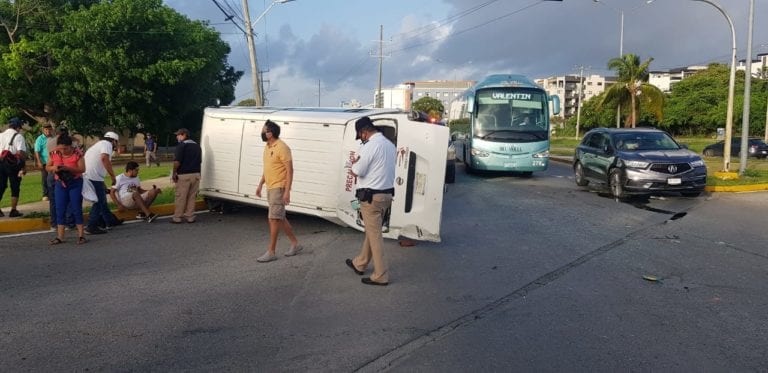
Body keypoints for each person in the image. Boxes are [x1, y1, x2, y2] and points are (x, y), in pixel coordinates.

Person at [344, 116, 396, 286]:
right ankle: (360, 263)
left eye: (360, 136)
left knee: (375, 236)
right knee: (372, 232)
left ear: (364, 132)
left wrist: (352, 165)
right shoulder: (389, 145)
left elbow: (358, 170)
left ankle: (381, 275)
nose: (361, 139)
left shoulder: (370, 146)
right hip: (386, 196)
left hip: (371, 197)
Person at [254, 120, 301, 263]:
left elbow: (290, 171)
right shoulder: (268, 147)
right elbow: (268, 168)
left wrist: (287, 191)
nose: (262, 133)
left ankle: (271, 251)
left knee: (273, 219)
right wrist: (260, 184)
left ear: (270, 133)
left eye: (264, 130)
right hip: (270, 187)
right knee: (279, 217)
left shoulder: (282, 147)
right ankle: (295, 244)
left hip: (279, 188)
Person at [46, 134, 87, 245]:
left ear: (70, 146)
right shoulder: (54, 153)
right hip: (60, 184)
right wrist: (54, 168)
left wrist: (68, 168)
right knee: (60, 209)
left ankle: (81, 235)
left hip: (75, 183)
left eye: (66, 148)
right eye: (61, 148)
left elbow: (82, 169)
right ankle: (60, 236)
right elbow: (47, 167)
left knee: (76, 208)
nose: (63, 151)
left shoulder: (77, 154)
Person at [83, 131, 119, 235]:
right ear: (114, 141)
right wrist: (112, 176)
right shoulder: (107, 144)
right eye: (116, 142)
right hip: (93, 177)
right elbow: (104, 158)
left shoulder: (98, 144)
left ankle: (109, 221)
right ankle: (91, 226)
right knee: (99, 201)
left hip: (90, 176)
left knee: (102, 201)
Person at [171, 128, 201, 224]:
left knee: (181, 197)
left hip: (184, 175)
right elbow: (200, 161)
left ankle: (177, 217)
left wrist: (174, 173)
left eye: (178, 135)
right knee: (192, 197)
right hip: (196, 175)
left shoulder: (182, 146)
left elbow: (177, 162)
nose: (177, 137)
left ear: (184, 135)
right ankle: (190, 216)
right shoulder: (197, 146)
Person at [0, 117, 28, 218]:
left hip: (0, 163)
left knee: (1, 186)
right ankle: (13, 210)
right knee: (15, 186)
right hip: (12, 165)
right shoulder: (18, 136)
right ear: (18, 127)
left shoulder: (1, 135)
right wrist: (23, 167)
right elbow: (21, 153)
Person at [34, 124, 54, 201]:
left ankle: (52, 193)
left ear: (51, 130)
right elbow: (37, 151)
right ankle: (45, 194)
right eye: (46, 129)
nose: (48, 131)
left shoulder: (53, 138)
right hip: (44, 161)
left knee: (53, 178)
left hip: (53, 161)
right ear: (43, 130)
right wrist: (39, 162)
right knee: (45, 178)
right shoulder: (40, 139)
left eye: (49, 129)